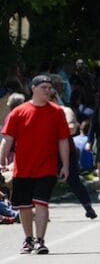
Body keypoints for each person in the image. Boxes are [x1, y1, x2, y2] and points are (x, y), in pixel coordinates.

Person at [0, 75, 71, 254]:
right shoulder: (18, 112)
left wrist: (65, 166)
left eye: (49, 88)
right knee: (24, 206)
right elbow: (7, 139)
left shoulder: (56, 112)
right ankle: (28, 239)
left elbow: (63, 140)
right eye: (44, 87)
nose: (48, 91)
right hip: (22, 168)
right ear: (33, 88)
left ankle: (40, 241)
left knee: (41, 203)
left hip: (47, 167)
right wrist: (1, 159)